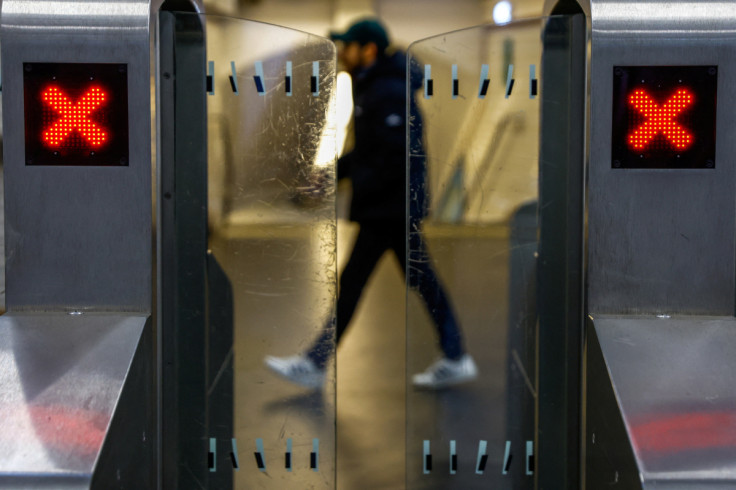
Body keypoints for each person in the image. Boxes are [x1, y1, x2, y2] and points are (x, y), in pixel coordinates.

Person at [265, 18, 477, 390]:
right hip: (387, 208)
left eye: (348, 46)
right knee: (418, 281)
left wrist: (353, 183)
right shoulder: (374, 87)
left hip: (390, 210)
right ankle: (456, 355)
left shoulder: (388, 91)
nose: (342, 53)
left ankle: (314, 364)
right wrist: (329, 174)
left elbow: (395, 157)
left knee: (362, 282)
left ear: (368, 50)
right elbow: (368, 152)